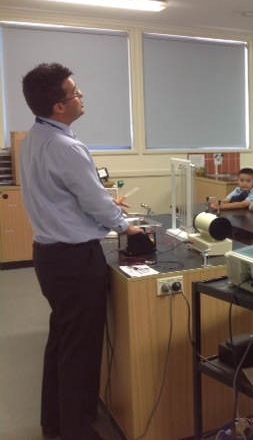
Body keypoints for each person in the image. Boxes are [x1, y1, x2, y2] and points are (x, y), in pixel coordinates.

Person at [20, 63, 142, 440]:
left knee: (61, 342)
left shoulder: (34, 138)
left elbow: (64, 196)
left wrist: (106, 207)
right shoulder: (66, 146)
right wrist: (126, 225)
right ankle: (77, 430)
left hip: (48, 256)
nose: (81, 96)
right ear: (59, 106)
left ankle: (54, 422)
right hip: (75, 261)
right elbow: (91, 198)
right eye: (75, 92)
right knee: (81, 352)